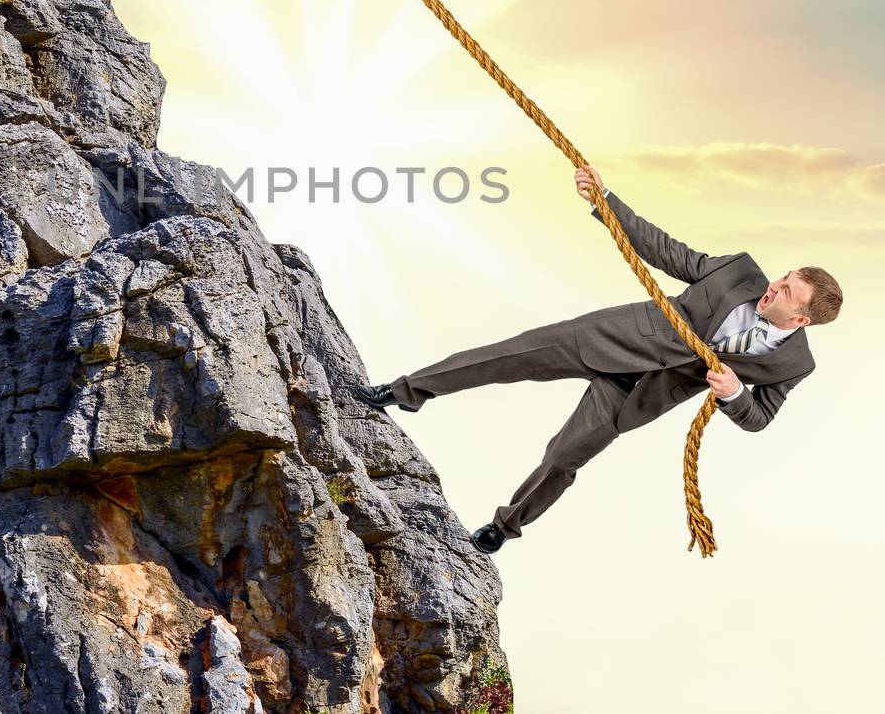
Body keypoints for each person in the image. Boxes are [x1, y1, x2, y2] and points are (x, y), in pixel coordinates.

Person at [350, 166, 844, 554]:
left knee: (563, 459)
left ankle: (504, 527)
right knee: (504, 357)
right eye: (781, 278)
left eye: (785, 293)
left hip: (637, 396)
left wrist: (734, 394)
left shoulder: (793, 365)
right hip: (613, 336)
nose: (772, 288)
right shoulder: (741, 271)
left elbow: (759, 419)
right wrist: (605, 203)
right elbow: (669, 253)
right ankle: (402, 391)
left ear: (800, 320)